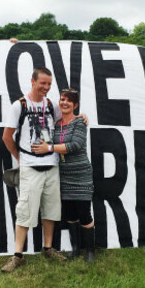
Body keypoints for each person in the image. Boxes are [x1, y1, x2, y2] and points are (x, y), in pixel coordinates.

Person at [0, 67, 68, 272]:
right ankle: (17, 255)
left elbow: (65, 119)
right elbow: (7, 136)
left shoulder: (51, 105)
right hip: (30, 167)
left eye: (49, 84)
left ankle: (47, 248)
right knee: (25, 211)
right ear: (32, 81)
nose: (46, 87)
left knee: (50, 210)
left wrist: (80, 116)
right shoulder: (19, 106)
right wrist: (20, 158)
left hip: (52, 165)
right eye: (43, 83)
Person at [32, 88, 96, 262]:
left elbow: (75, 145)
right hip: (63, 176)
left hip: (81, 175)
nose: (64, 102)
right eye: (62, 99)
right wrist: (42, 127)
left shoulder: (79, 122)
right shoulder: (55, 123)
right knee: (70, 214)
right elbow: (44, 142)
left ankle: (90, 251)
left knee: (84, 213)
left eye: (69, 100)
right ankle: (76, 249)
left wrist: (50, 148)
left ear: (75, 105)